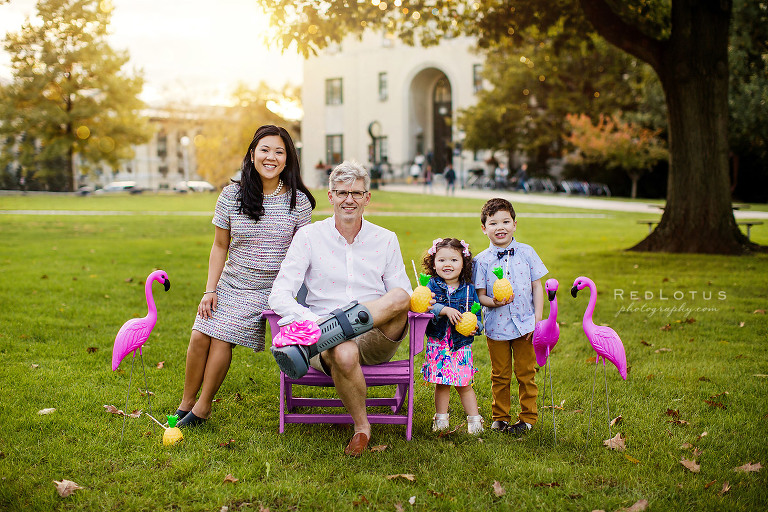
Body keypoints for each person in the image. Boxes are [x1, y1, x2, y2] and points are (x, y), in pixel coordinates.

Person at [174, 125, 316, 427]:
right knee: (200, 334)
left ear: (288, 159)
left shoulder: (298, 202)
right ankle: (186, 402)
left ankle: (203, 407)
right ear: (252, 154)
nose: (271, 157)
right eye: (265, 149)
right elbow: (219, 245)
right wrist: (209, 290)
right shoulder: (231, 196)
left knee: (222, 337)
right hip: (231, 283)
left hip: (273, 288)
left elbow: (304, 257)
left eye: (279, 152)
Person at [268, 160, 412, 457]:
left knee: (400, 296)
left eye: (357, 193)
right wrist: (311, 320)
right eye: (342, 192)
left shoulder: (385, 239)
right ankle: (362, 428)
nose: (349, 199)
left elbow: (404, 297)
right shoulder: (308, 237)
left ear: (367, 198)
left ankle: (338, 327)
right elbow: (279, 294)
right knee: (343, 350)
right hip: (325, 340)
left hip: (375, 337)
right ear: (330, 196)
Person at [473, 198, 547, 436]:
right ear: (484, 228)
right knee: (500, 374)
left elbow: (537, 286)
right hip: (496, 327)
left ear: (515, 224)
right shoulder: (481, 261)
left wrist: (538, 320)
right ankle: (500, 417)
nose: (500, 227)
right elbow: (480, 296)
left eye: (506, 221)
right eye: (493, 223)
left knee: (526, 373)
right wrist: (493, 302)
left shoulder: (527, 252)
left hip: (526, 325)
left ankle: (527, 417)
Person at [420, 238, 484, 435]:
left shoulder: (468, 289)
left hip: (460, 345)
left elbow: (478, 316)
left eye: (454, 260)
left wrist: (477, 327)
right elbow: (425, 306)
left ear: (464, 263)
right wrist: (444, 309)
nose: (447, 265)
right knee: (442, 383)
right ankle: (441, 419)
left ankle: (474, 421)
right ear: (433, 263)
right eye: (441, 260)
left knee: (464, 384)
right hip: (438, 343)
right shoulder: (431, 286)